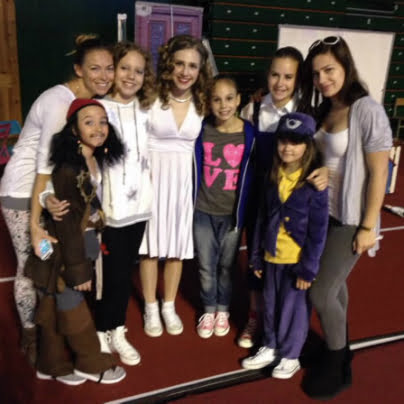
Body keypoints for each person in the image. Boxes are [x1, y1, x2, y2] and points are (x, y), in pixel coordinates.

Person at [0, 34, 114, 365]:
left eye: (109, 68)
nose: (104, 76)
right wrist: (36, 226)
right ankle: (31, 334)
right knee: (31, 266)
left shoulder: (84, 103)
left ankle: (52, 330)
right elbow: (43, 168)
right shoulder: (59, 102)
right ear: (78, 69)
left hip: (48, 191)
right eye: (94, 68)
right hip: (24, 192)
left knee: (53, 265)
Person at [299, 36, 392, 399]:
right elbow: (327, 160)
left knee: (320, 291)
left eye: (329, 70)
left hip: (351, 218)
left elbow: (379, 172)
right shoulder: (327, 108)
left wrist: (368, 226)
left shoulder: (366, 109)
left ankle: (337, 362)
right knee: (335, 286)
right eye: (316, 73)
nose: (323, 79)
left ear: (346, 67)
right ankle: (340, 347)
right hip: (324, 215)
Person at [24, 98, 126, 384]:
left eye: (103, 122)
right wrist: (78, 269)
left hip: (78, 246)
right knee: (71, 301)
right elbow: (67, 223)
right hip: (68, 250)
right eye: (88, 122)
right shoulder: (71, 169)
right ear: (73, 130)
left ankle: (51, 364)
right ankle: (90, 362)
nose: (98, 128)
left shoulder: (92, 158)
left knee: (51, 303)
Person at [239, 47, 326, 349]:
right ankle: (256, 316)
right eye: (275, 75)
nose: (280, 83)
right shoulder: (253, 109)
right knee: (257, 258)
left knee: (289, 266)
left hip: (291, 200)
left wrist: (325, 170)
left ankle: (287, 329)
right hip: (258, 196)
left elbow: (321, 155)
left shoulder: (307, 114)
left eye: (288, 77)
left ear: (297, 80)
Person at [241, 112, 329, 380]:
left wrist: (308, 269)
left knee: (294, 310)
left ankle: (291, 355)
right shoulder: (272, 176)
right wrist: (256, 256)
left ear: (308, 145)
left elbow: (318, 231)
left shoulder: (314, 184)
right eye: (283, 141)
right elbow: (261, 219)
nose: (288, 148)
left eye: (296, 142)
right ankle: (270, 345)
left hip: (295, 261)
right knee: (270, 305)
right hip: (271, 256)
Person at [139, 35, 212, 337]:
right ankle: (150, 306)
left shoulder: (203, 102)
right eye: (180, 63)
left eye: (192, 66)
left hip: (182, 182)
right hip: (151, 179)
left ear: (200, 69)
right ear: (169, 64)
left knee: (177, 248)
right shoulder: (150, 98)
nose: (185, 71)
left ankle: (168, 305)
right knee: (149, 247)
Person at [94, 41, 155, 364]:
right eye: (125, 68)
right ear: (113, 70)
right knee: (108, 274)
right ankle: (101, 329)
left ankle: (117, 329)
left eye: (139, 71)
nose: (131, 76)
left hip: (140, 207)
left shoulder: (147, 110)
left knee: (123, 272)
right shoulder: (98, 108)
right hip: (110, 209)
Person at [193, 75, 255, 338]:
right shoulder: (201, 129)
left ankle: (223, 310)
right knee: (206, 266)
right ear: (209, 102)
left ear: (239, 100)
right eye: (216, 99)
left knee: (226, 266)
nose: (223, 105)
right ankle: (209, 310)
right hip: (203, 211)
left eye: (229, 98)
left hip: (232, 214)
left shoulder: (249, 133)